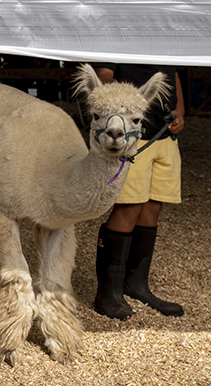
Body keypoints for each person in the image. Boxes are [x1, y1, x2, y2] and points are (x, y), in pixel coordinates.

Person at [92, 63, 186, 320]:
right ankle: (107, 294)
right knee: (129, 206)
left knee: (152, 207)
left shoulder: (170, 41)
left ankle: (136, 284)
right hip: (133, 137)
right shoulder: (121, 40)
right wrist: (125, 103)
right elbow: (104, 75)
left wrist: (179, 110)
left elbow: (174, 73)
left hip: (164, 135)